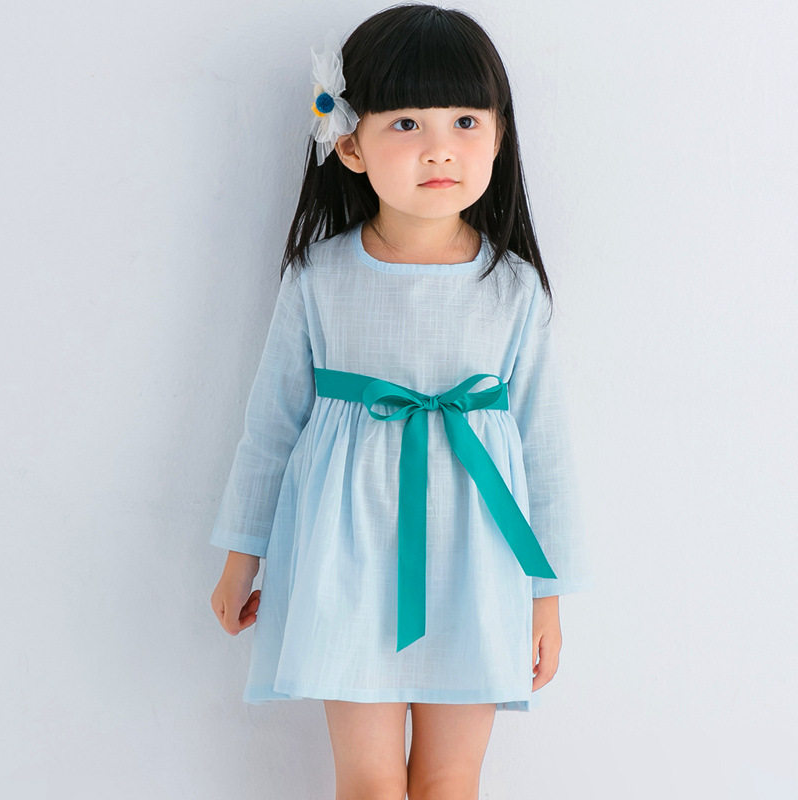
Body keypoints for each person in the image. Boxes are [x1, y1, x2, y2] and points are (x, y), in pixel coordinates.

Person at [209, 4, 592, 798]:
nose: (440, 147)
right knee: (370, 782)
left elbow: (545, 445)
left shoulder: (514, 289)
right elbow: (271, 426)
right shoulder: (319, 277)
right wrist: (243, 556)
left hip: (480, 560)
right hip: (344, 558)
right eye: (407, 123)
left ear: (499, 136)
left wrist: (546, 595)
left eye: (465, 121)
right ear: (350, 143)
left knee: (451, 780)